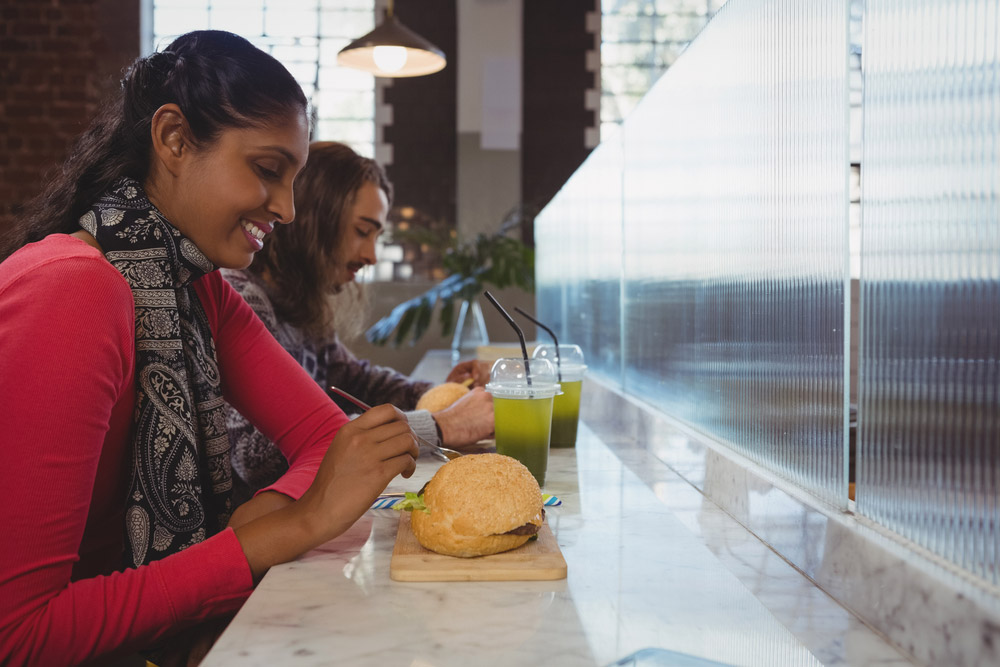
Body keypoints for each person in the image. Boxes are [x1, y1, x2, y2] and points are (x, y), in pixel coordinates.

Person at [0, 31, 418, 666]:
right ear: (173, 140)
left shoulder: (197, 288)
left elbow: (326, 437)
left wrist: (257, 526)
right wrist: (283, 532)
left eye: (294, 180)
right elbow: (20, 637)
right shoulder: (74, 290)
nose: (286, 208)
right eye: (267, 170)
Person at [221, 141, 494, 499]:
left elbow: (356, 380)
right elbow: (259, 456)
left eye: (377, 237)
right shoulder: (243, 295)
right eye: (362, 231)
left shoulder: (300, 303)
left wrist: (440, 394)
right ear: (314, 218)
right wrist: (441, 426)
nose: (371, 255)